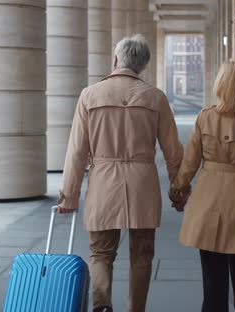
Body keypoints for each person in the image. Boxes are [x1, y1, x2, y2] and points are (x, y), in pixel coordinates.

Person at [57, 34, 183, 312]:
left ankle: (102, 305)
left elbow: (76, 151)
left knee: (101, 253)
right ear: (142, 66)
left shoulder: (89, 96)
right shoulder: (156, 98)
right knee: (142, 256)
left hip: (104, 182)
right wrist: (178, 191)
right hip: (143, 186)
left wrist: (69, 196)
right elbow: (173, 151)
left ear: (115, 60)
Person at [169, 58, 235, 312]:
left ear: (222, 85)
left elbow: (190, 164)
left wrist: (178, 193)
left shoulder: (205, 118)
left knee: (213, 277)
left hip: (207, 200)